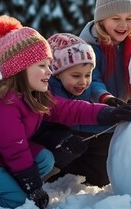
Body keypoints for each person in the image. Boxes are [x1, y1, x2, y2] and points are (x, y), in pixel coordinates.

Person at [0, 15, 131, 208]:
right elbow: (14, 148)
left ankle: (5, 181)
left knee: (45, 159)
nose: (49, 71)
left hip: (0, 153)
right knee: (17, 200)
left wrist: (107, 113)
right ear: (20, 69)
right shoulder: (4, 102)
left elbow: (70, 109)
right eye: (42, 66)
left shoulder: (36, 95)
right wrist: (33, 186)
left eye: (49, 65)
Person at [52, 0, 131, 187]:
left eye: (129, 19)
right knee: (67, 177)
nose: (124, 25)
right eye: (116, 19)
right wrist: (108, 99)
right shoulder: (87, 49)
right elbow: (92, 81)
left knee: (100, 179)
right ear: (101, 20)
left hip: (110, 128)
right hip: (82, 125)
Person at [33, 33, 99, 181]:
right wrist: (63, 139)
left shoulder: (79, 89)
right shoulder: (45, 91)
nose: (83, 82)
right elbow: (42, 130)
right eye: (76, 76)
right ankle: (40, 178)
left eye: (88, 75)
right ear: (57, 73)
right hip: (37, 142)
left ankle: (53, 175)